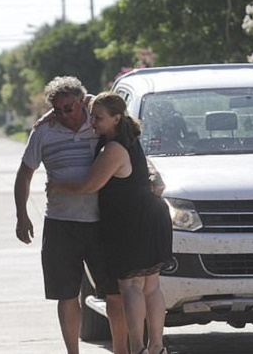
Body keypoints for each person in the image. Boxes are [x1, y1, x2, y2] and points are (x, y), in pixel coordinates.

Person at [48, 91, 173, 354]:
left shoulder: (113, 148)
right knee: (151, 286)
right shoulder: (129, 138)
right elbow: (91, 97)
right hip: (150, 217)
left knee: (131, 287)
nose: (93, 122)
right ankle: (157, 347)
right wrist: (49, 115)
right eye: (92, 116)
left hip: (131, 223)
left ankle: (138, 346)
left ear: (116, 118)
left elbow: (89, 185)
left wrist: (58, 186)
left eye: (99, 118)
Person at [14, 76, 128, 354]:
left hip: (102, 223)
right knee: (66, 294)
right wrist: (22, 215)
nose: (65, 115)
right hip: (61, 225)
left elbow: (114, 109)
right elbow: (24, 174)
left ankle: (122, 350)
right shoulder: (44, 132)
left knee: (114, 293)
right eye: (58, 109)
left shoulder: (97, 121)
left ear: (82, 102)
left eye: (70, 107)